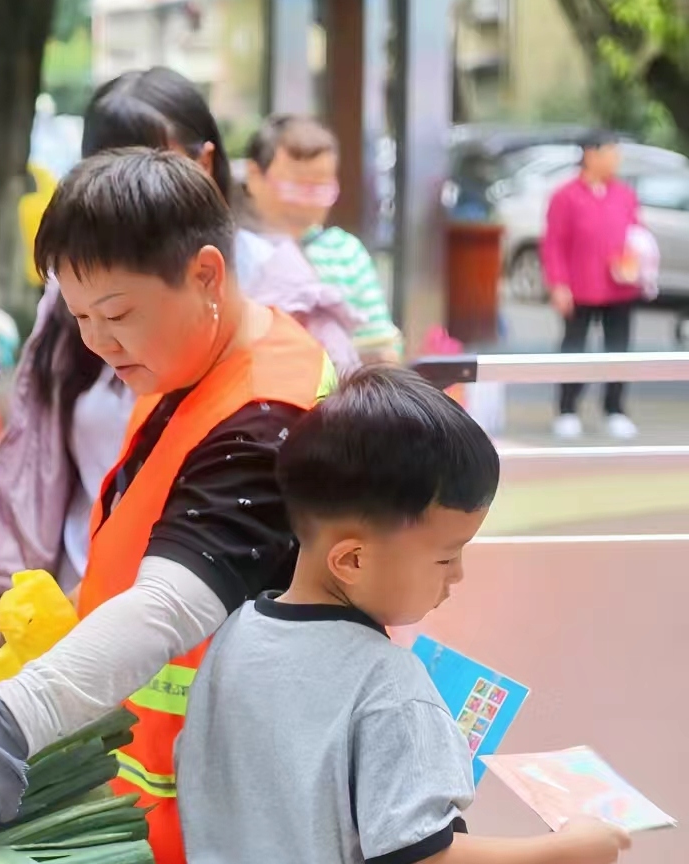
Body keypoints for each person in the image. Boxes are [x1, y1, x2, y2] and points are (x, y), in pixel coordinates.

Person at [0, 149, 335, 861]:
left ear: (205, 274)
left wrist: (15, 718)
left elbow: (172, 605)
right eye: (79, 315)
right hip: (162, 796)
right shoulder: (187, 355)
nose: (96, 340)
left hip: (230, 819)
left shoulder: (268, 414)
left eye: (115, 313)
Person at [176, 365, 631, 864]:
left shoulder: (234, 635)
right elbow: (423, 857)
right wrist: (566, 850)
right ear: (352, 559)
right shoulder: (388, 684)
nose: (457, 575)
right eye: (445, 556)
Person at [244, 114, 402, 367]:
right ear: (254, 176)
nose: (306, 202)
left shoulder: (345, 252)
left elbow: (382, 347)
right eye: (294, 186)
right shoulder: (237, 249)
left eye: (320, 188)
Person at [542, 130, 642, 441]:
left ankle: (614, 409)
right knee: (574, 349)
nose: (616, 158)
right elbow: (553, 243)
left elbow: (637, 235)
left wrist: (636, 263)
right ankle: (568, 409)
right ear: (590, 153)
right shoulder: (565, 195)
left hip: (620, 288)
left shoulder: (625, 193)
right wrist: (558, 284)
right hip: (579, 288)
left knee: (619, 349)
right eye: (611, 151)